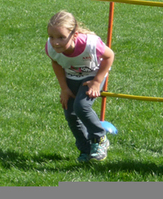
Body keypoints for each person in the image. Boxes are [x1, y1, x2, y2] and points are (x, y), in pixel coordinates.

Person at [46, 11, 115, 162]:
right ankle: (86, 149)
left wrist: (97, 82)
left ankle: (99, 139)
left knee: (82, 106)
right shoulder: (51, 48)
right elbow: (56, 62)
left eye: (61, 37)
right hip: (71, 76)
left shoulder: (90, 44)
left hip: (93, 75)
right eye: (51, 37)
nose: (55, 42)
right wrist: (64, 88)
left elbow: (109, 56)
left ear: (74, 35)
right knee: (70, 113)